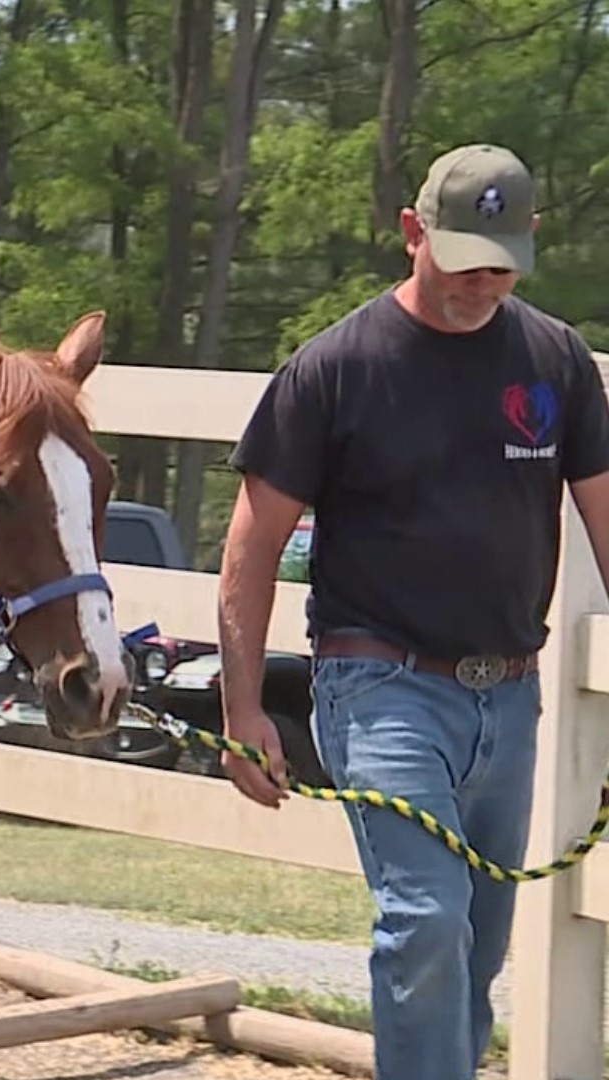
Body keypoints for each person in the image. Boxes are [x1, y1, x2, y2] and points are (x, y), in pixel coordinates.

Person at [216, 143, 609, 1080]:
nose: (482, 283)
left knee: (475, 945)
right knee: (425, 924)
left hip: (508, 698)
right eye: (464, 258)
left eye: (502, 262)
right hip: (378, 684)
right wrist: (241, 712)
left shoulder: (557, 360)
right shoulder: (335, 368)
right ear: (412, 233)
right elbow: (249, 549)